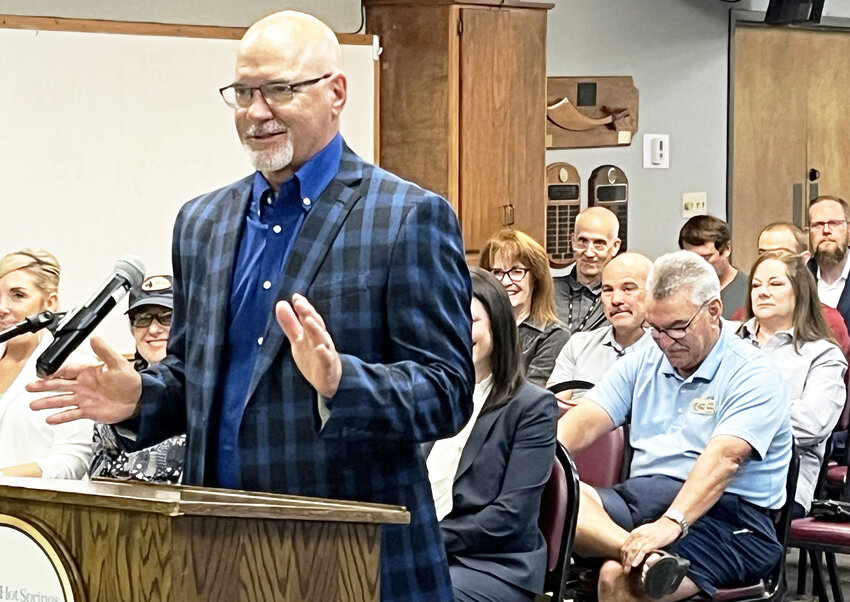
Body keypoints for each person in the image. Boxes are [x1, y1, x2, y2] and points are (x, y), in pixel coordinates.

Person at [28, 11, 474, 601]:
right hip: (215, 552)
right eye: (243, 92)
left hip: (352, 559)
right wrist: (141, 398)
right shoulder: (202, 221)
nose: (256, 112)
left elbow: (446, 392)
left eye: (279, 90)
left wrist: (343, 381)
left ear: (336, 92)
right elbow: (196, 378)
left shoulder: (407, 216)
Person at [558, 250, 792, 600]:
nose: (665, 341)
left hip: (729, 515)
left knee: (617, 577)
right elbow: (585, 419)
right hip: (644, 498)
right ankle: (647, 557)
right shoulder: (646, 358)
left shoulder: (753, 373)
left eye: (677, 328)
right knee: (562, 500)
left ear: (714, 312)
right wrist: (537, 455)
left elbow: (724, 460)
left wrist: (671, 524)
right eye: (654, 329)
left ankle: (642, 558)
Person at [427, 267, 557, 602]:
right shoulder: (428, 397)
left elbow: (510, 518)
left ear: (498, 324)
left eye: (470, 320)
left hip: (493, 565)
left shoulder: (532, 406)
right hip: (423, 551)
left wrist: (426, 536)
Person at [738, 252, 846, 517]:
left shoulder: (823, 354)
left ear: (800, 292)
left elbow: (812, 424)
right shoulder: (727, 341)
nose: (762, 292)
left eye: (775, 284)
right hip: (708, 469)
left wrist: (734, 422)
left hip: (784, 478)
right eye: (755, 285)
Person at [0, 249, 93, 479]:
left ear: (49, 303)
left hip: (30, 510)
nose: (2, 307)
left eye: (18, 295)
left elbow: (73, 461)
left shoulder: (74, 369)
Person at [89, 275, 186, 483]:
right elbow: (96, 473)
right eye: (142, 318)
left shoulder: (205, 388)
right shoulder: (115, 384)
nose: (153, 329)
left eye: (167, 316)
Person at [548, 252, 653, 395]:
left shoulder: (665, 351)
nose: (616, 300)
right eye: (607, 290)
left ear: (653, 292)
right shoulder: (578, 345)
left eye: (627, 289)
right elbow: (555, 404)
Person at [479, 229, 568, 386]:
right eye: (497, 272)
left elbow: (529, 399)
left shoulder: (554, 335)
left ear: (536, 277)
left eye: (516, 271)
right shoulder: (476, 328)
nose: (505, 281)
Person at [752, 222, 850, 358]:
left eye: (780, 254)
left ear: (803, 260)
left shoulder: (829, 323)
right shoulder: (742, 320)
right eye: (762, 255)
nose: (769, 262)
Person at [552, 206, 621, 334]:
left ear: (615, 247)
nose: (589, 252)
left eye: (599, 243)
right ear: (573, 241)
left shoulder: (621, 299)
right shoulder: (546, 291)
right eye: (583, 241)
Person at [678, 215, 748, 319]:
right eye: (691, 259)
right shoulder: (680, 293)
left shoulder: (750, 292)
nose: (698, 265)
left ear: (726, 249)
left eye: (706, 258)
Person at [808, 196, 850, 334]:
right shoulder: (799, 277)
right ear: (808, 231)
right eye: (818, 225)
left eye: (834, 223)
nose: (826, 230)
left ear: (848, 228)